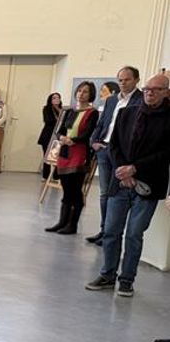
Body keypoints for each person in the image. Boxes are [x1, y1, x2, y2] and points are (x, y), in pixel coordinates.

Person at [86, 73, 170, 297]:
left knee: (134, 234)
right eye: (147, 89)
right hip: (120, 182)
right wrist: (124, 170)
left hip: (148, 185)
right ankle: (107, 275)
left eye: (156, 89)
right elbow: (114, 145)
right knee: (112, 231)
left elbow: (165, 154)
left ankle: (126, 280)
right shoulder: (126, 113)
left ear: (166, 92)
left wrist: (136, 169)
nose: (149, 92)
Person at [87, 66, 143, 244]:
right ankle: (104, 230)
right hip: (104, 150)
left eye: (127, 79)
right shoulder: (111, 100)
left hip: (122, 154)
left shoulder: (141, 100)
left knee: (117, 194)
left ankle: (113, 231)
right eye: (120, 80)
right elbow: (102, 123)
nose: (123, 83)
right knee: (104, 193)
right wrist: (94, 141)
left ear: (136, 80)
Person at [45, 82, 97, 235]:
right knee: (66, 189)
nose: (81, 94)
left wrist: (72, 140)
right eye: (79, 91)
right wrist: (62, 138)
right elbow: (59, 130)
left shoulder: (92, 112)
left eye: (85, 92)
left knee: (75, 190)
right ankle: (62, 222)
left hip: (79, 152)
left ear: (90, 95)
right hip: (65, 151)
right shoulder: (69, 111)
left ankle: (72, 224)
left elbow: (87, 133)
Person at [38, 92, 63, 180]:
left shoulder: (62, 110)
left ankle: (56, 177)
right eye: (54, 98)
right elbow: (48, 120)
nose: (56, 99)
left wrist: (60, 112)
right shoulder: (46, 108)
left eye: (58, 98)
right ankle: (45, 176)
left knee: (57, 156)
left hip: (58, 136)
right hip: (47, 135)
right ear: (50, 100)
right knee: (46, 155)